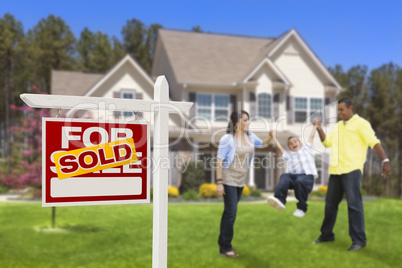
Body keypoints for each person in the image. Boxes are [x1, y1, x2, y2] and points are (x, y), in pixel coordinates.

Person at [312, 97, 391, 251]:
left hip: (352, 170)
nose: (339, 113)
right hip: (336, 171)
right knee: (330, 206)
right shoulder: (338, 126)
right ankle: (327, 234)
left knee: (354, 205)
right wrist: (319, 128)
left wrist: (385, 160)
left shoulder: (361, 124)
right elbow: (327, 142)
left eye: (342, 110)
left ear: (350, 108)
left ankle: (359, 240)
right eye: (338, 111)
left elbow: (373, 142)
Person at [216, 110, 271, 258]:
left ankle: (224, 242)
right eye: (244, 120)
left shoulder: (250, 136)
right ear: (236, 123)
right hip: (228, 178)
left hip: (241, 179)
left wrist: (270, 137)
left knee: (229, 212)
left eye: (248, 120)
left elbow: (263, 145)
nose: (248, 123)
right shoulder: (227, 139)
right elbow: (219, 161)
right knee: (231, 213)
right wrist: (219, 183)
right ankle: (225, 248)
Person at [267, 123, 319, 218]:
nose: (293, 144)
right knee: (284, 176)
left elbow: (311, 137)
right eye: (290, 144)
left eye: (295, 141)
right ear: (289, 148)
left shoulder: (306, 149)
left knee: (300, 181)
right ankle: (280, 200)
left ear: (301, 144)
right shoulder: (289, 155)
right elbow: (279, 147)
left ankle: (302, 207)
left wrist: (315, 127)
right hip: (294, 178)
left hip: (307, 178)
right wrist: (274, 137)